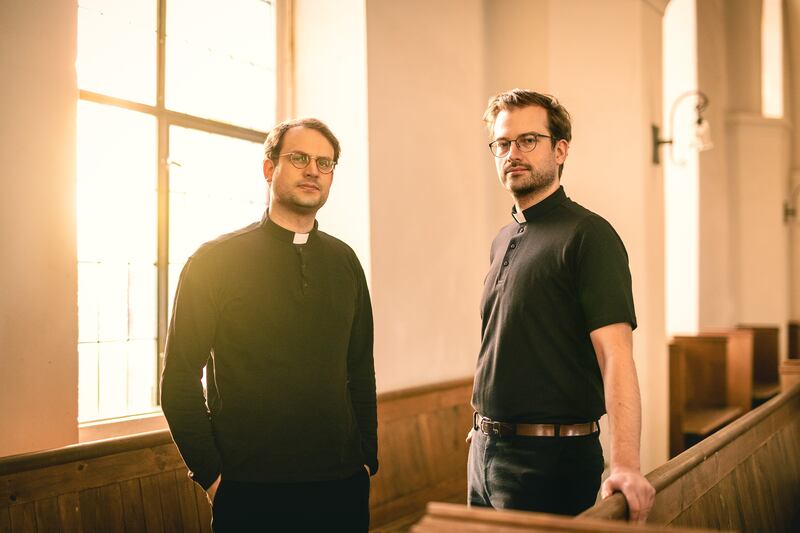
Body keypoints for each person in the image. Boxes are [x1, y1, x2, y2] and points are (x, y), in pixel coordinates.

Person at [161, 117, 377, 532]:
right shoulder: (214, 262)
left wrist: (367, 458)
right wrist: (213, 477)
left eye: (325, 163)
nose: (313, 170)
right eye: (299, 158)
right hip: (250, 490)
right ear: (268, 168)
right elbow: (179, 379)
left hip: (342, 484)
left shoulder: (345, 262)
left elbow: (360, 368)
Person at [467, 89, 655, 521]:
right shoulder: (503, 239)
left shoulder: (589, 235)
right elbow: (504, 341)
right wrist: (485, 421)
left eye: (528, 140)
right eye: (502, 143)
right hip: (484, 452)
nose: (513, 153)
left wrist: (626, 465)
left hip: (549, 461)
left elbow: (615, 355)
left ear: (560, 149)